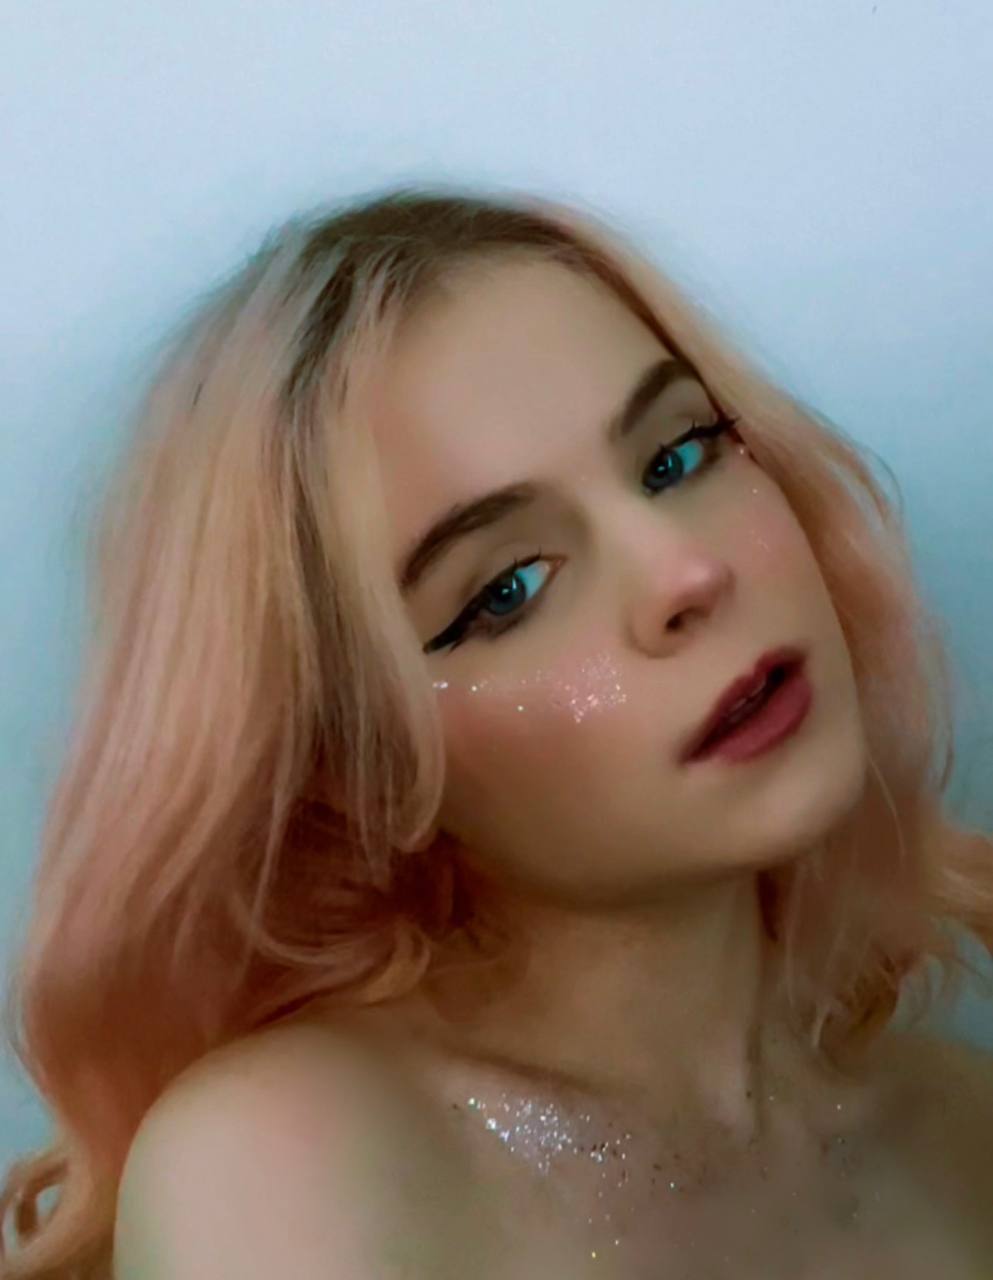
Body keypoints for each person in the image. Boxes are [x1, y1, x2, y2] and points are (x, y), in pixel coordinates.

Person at [1, 186, 991, 1279]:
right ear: (356, 770)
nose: (686, 573)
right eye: (508, 588)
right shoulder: (290, 1157)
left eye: (678, 457)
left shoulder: (962, 1129)